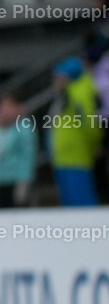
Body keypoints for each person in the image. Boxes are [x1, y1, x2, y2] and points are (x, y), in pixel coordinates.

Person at [47, 57, 103, 206]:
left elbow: (89, 125)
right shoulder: (68, 95)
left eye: (59, 77)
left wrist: (92, 146)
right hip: (65, 156)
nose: (55, 81)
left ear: (68, 78)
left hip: (76, 156)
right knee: (72, 206)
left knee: (82, 204)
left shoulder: (79, 95)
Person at [0, 92, 37, 209]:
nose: (5, 110)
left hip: (17, 180)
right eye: (2, 106)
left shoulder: (23, 127)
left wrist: (24, 181)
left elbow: (28, 155)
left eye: (8, 106)